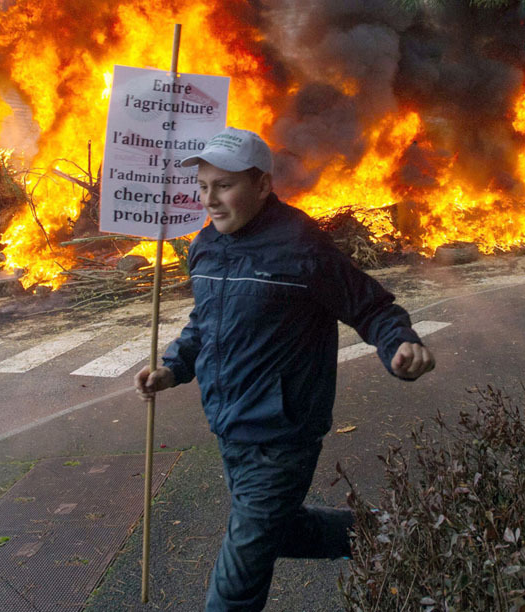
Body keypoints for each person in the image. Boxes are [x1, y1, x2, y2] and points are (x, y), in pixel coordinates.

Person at [134, 126, 435, 611]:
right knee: (281, 531)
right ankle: (390, 529)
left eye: (224, 186)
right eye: (203, 186)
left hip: (283, 433)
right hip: (229, 425)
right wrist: (172, 367)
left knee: (239, 573)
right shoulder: (205, 246)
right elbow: (204, 324)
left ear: (262, 186)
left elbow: (371, 308)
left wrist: (400, 345)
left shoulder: (302, 247)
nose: (209, 199)